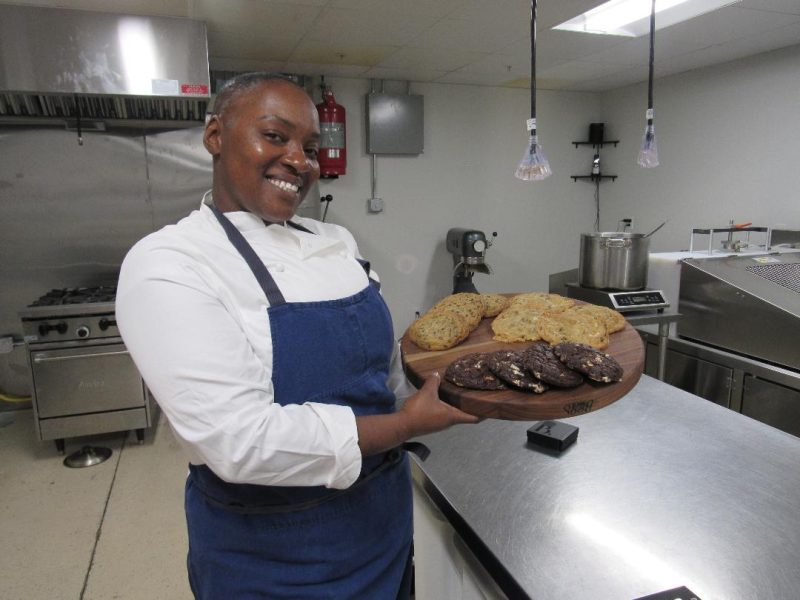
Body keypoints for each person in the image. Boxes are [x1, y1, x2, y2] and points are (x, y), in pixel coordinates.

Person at [116, 72, 479, 599]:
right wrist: (403, 425)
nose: (300, 160)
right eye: (276, 136)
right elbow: (240, 441)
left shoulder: (335, 240)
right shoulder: (170, 262)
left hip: (384, 522)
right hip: (273, 554)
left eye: (311, 146)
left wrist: (459, 379)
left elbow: (383, 373)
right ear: (216, 136)